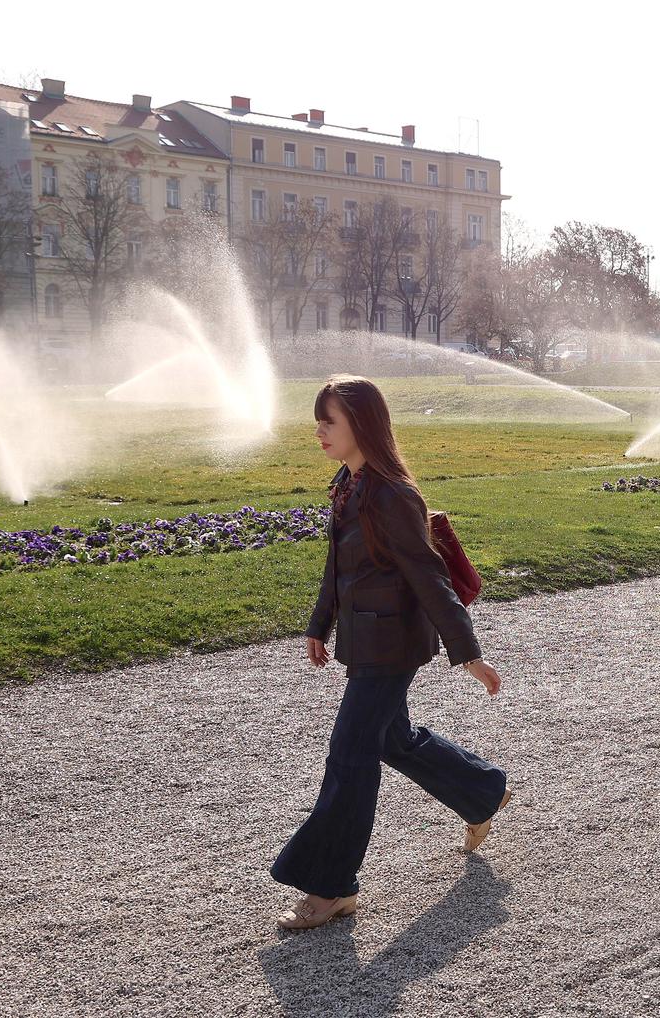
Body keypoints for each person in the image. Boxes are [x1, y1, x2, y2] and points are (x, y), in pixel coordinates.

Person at [271, 374, 511, 931]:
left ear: (363, 423)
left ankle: (331, 887)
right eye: (319, 420)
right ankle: (483, 790)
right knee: (391, 738)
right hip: (363, 640)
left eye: (329, 420)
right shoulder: (349, 484)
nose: (319, 430)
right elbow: (338, 567)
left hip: (393, 648)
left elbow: (431, 579)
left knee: (349, 756)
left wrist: (468, 653)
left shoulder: (393, 496)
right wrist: (319, 623)